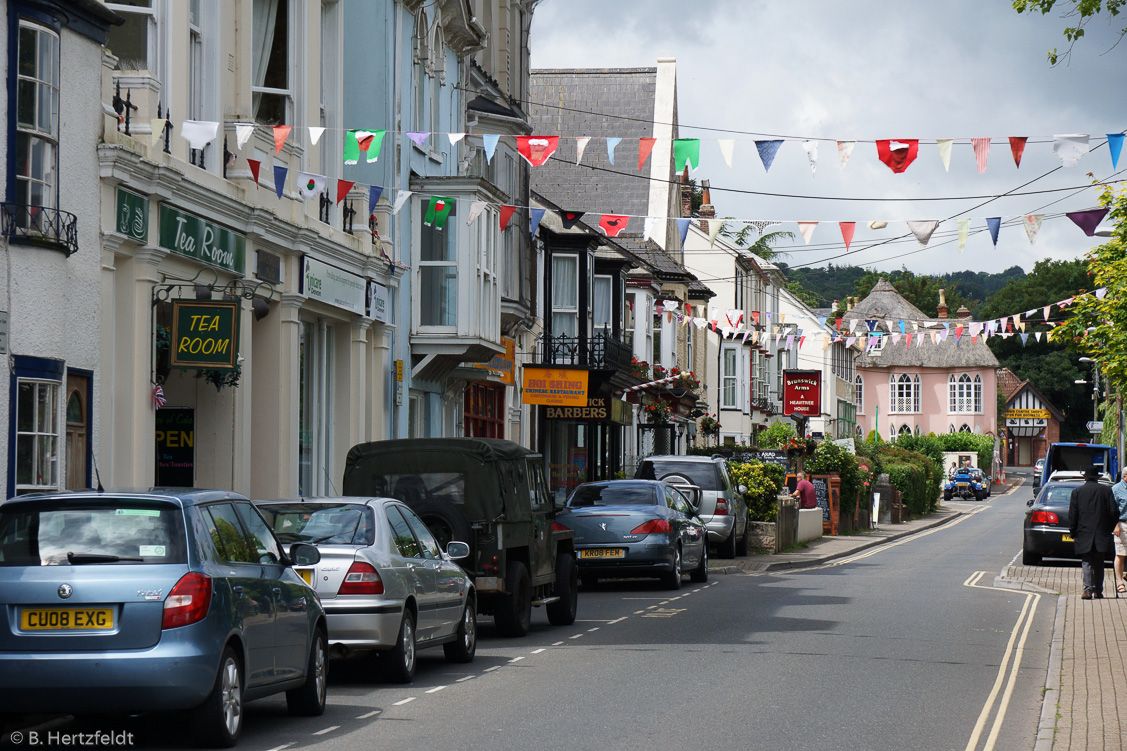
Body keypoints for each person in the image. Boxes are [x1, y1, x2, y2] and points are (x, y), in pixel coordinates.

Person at [1068, 465, 1121, 599]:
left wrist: (1073, 531)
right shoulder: (1106, 491)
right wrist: (1109, 527)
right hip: (1101, 533)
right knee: (1099, 562)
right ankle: (1098, 591)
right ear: (1097, 478)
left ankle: (1088, 590)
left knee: (1087, 561)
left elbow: (1073, 515)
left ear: (1085, 477)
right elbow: (1114, 511)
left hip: (1084, 532)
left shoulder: (1077, 492)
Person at [1111, 468, 1127, 594]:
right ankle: (1120, 582)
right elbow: (1112, 510)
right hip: (1122, 524)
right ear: (1125, 476)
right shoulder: (1116, 489)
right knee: (1121, 554)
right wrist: (1115, 525)